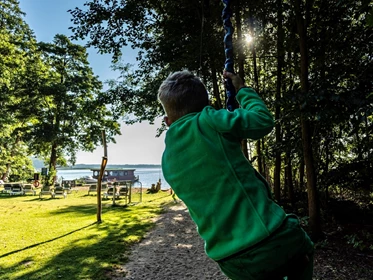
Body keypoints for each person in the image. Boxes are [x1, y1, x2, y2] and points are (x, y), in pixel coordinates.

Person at [158, 70, 314, 280]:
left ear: (167, 121)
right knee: (302, 250)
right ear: (206, 106)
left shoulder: (167, 161)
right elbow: (262, 120)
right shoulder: (209, 119)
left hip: (232, 261)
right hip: (273, 239)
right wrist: (241, 90)